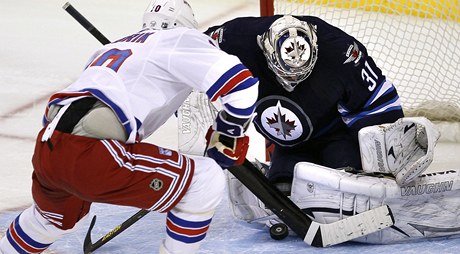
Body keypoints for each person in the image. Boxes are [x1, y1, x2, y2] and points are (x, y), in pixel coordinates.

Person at [0, 0, 259, 253]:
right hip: (92, 152)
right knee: (205, 179)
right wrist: (227, 136)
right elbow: (242, 87)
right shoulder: (180, 38)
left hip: (49, 149)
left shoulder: (113, 48)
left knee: (48, 221)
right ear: (186, 24)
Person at [205, 15, 405, 193]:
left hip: (337, 136)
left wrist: (384, 165)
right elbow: (188, 53)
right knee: (283, 189)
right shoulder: (235, 40)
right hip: (289, 147)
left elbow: (379, 105)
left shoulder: (340, 52)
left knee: (344, 184)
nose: (293, 82)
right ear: (265, 49)